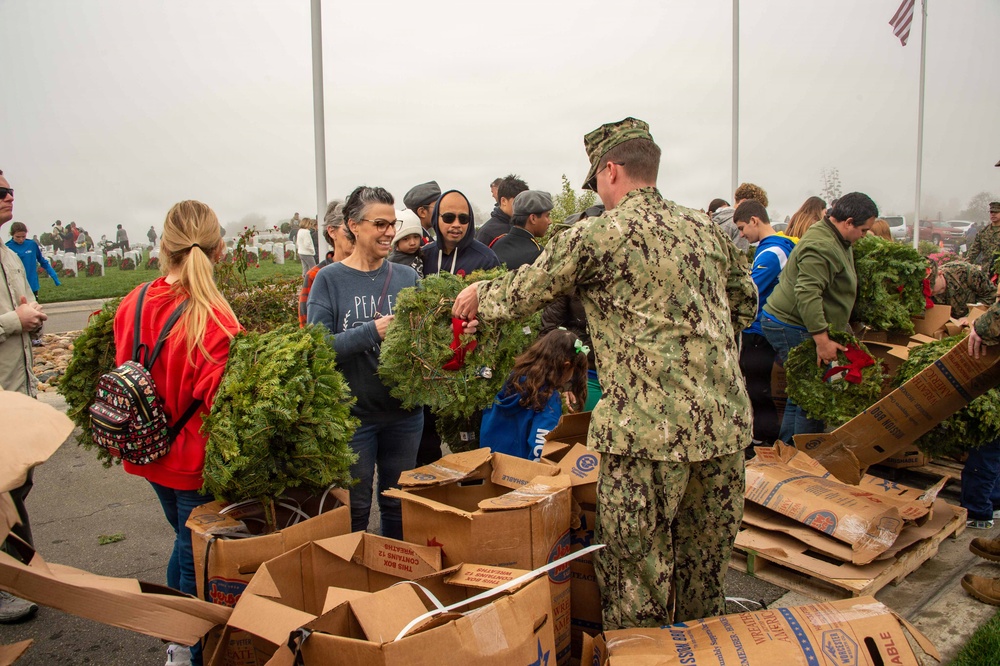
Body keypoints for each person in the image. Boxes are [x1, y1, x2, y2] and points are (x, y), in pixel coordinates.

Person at [451, 117, 757, 629]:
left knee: (637, 580)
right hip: (723, 432)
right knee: (705, 580)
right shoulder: (707, 228)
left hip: (644, 438)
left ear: (610, 170)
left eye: (596, 181)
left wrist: (479, 297)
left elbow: (529, 289)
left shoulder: (598, 232)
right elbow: (744, 305)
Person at [113, 200, 239, 665]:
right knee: (194, 560)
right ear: (219, 249)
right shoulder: (214, 318)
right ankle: (183, 647)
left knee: (181, 541)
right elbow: (220, 405)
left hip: (148, 451)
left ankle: (177, 635)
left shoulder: (134, 300)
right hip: (192, 459)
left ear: (163, 247)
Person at [306, 186, 428, 540]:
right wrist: (371, 332)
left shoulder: (407, 279)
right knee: (354, 508)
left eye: (392, 223)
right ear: (353, 226)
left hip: (404, 417)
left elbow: (427, 342)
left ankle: (392, 580)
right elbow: (317, 348)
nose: (389, 232)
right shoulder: (329, 280)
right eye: (379, 224)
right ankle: (352, 579)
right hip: (352, 419)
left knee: (397, 504)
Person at [761, 192, 879, 443]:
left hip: (795, 322)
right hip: (791, 325)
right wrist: (822, 340)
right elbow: (807, 293)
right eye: (864, 230)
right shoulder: (822, 246)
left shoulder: (835, 237)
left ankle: (788, 453)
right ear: (848, 222)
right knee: (811, 396)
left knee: (800, 393)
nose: (864, 236)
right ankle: (801, 457)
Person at [0, 169, 47, 624]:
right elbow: (10, 317)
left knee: (17, 488)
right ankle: (8, 583)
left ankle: (23, 572)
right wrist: (16, 321)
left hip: (18, 392)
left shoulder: (9, 254)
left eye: (10, 189)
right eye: (0, 192)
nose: (9, 196)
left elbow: (22, 305)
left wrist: (33, 316)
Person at [734, 200, 796, 446]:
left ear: (754, 220)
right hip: (760, 326)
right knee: (757, 387)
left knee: (758, 388)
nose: (741, 234)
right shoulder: (774, 247)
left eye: (741, 228)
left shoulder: (772, 253)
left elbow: (750, 289)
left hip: (759, 329)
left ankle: (762, 439)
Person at [479, 329, 589, 461]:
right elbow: (541, 448)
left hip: (490, 462)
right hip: (518, 474)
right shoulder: (548, 399)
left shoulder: (511, 379)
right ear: (566, 366)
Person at [298, 202, 354, 327]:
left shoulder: (370, 271)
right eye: (348, 230)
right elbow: (307, 328)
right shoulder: (315, 275)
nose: (354, 235)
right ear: (332, 231)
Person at [421, 190, 500, 276]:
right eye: (449, 217)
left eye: (463, 219)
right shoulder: (424, 256)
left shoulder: (486, 260)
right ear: (436, 218)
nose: (456, 224)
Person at [491, 190, 553, 270]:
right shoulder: (537, 254)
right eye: (547, 216)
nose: (550, 221)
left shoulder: (498, 244)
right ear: (533, 218)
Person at [6, 222, 61, 298]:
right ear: (12, 235)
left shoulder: (32, 244)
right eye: (17, 237)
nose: (21, 239)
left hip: (32, 284)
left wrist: (53, 274)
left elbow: (42, 260)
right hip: (16, 286)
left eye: (23, 236)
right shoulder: (7, 247)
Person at [929, 260, 998, 318]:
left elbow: (991, 295)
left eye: (931, 284)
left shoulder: (964, 272)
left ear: (940, 273)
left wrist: (970, 316)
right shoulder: (923, 293)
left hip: (979, 320)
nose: (929, 290)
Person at [476, 174, 529, 247]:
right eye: (517, 201)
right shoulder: (487, 232)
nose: (522, 205)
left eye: (524, 202)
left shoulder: (525, 227)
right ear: (503, 201)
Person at [388, 209, 424, 277]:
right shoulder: (393, 262)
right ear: (397, 241)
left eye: (416, 237)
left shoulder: (420, 254)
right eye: (405, 239)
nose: (412, 243)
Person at [966, 202, 1000, 272]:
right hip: (986, 271)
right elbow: (974, 251)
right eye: (991, 212)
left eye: (996, 212)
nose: (993, 214)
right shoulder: (983, 232)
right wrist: (965, 265)